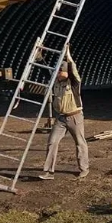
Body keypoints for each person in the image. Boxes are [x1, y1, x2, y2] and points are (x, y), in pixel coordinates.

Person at [39, 44, 89, 180]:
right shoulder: (55, 82)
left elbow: (73, 69)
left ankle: (84, 169)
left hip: (75, 117)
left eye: (60, 71)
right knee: (52, 142)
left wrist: (68, 55)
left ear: (66, 73)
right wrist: (39, 56)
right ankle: (48, 172)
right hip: (61, 118)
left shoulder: (74, 83)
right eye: (57, 71)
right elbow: (45, 71)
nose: (58, 73)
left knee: (80, 142)